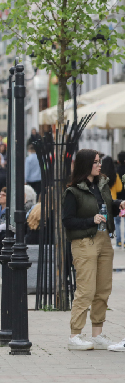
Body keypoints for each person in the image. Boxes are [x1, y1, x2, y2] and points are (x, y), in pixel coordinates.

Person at [62, 150, 124, 352]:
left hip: (104, 239)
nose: (99, 165)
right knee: (86, 290)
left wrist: (118, 204)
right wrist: (91, 220)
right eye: (96, 162)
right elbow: (68, 221)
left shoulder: (102, 184)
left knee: (103, 289)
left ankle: (97, 335)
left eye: (99, 162)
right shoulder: (73, 191)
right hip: (84, 242)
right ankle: (75, 335)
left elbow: (106, 206)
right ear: (86, 165)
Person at [100, 156, 122, 246]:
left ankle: (106, 240)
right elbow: (119, 188)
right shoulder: (115, 175)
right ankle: (118, 241)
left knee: (104, 222)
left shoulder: (100, 176)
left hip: (103, 200)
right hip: (113, 200)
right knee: (117, 222)